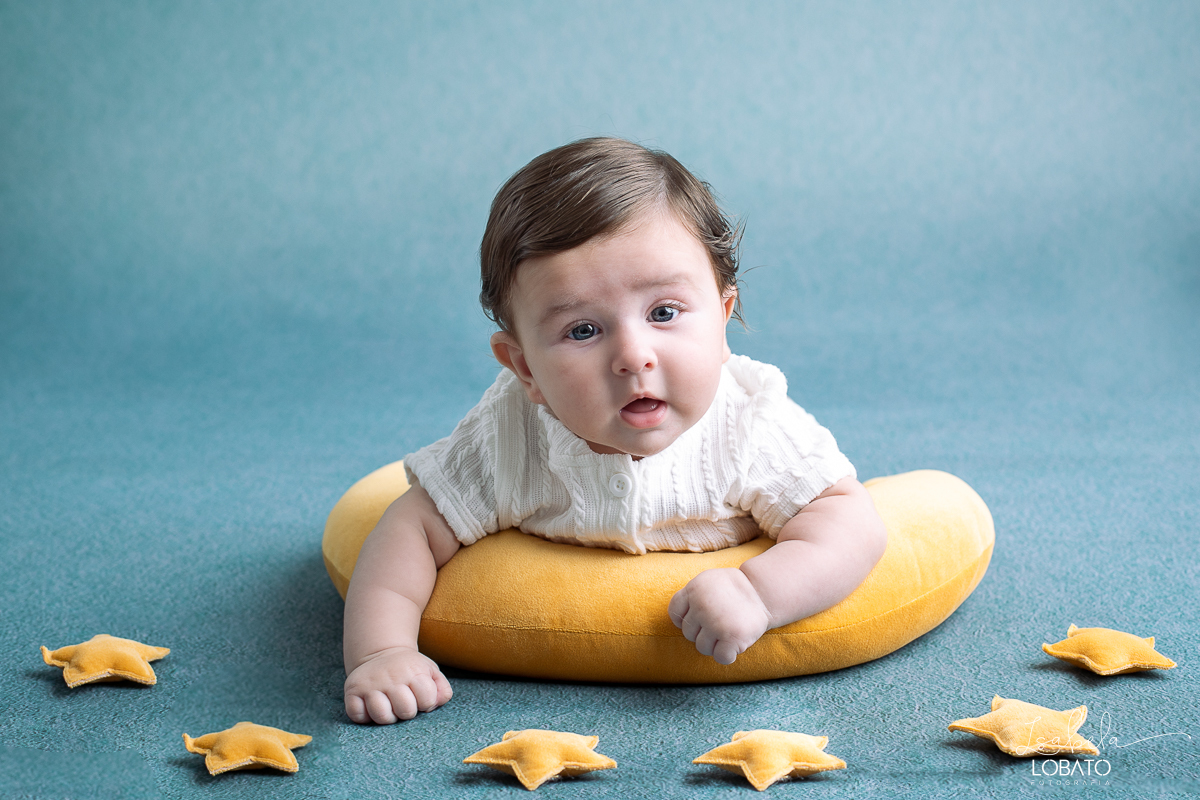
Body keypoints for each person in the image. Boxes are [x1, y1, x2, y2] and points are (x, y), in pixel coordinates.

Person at [342, 138, 888, 725]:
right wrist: (382, 650)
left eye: (664, 313)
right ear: (524, 367)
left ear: (724, 318)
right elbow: (413, 528)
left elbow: (848, 521)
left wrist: (759, 592)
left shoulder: (750, 423)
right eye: (582, 330)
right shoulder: (512, 432)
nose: (633, 356)